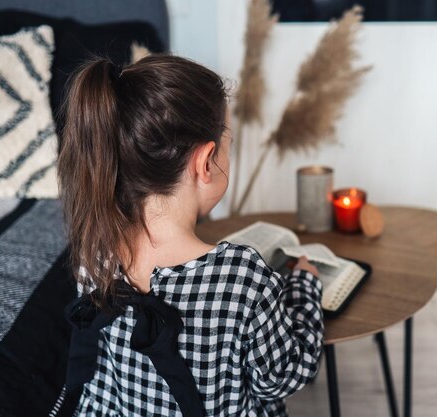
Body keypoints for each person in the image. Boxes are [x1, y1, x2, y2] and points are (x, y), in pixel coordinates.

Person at [57, 54, 324, 416]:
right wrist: (304, 289)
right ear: (206, 162)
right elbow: (281, 378)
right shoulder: (241, 277)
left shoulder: (96, 248)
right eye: (227, 144)